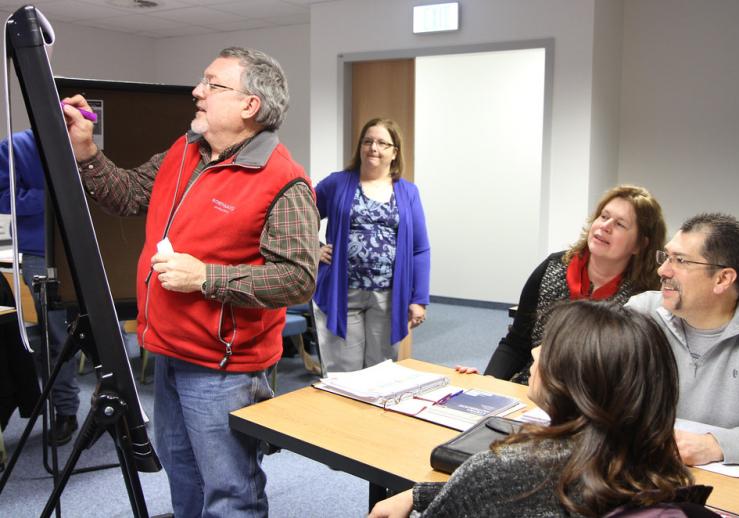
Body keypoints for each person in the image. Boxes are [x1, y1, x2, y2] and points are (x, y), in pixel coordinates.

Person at [62, 47, 320, 516]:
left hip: (224, 368)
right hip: (169, 352)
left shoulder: (283, 181)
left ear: (250, 105)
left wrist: (206, 277)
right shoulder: (184, 152)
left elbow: (297, 279)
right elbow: (128, 195)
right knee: (184, 481)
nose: (197, 91)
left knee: (230, 493)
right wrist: (86, 152)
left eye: (212, 84)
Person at [370, 301, 718, 517]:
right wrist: (419, 494)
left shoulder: (498, 470)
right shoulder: (655, 466)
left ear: (577, 382)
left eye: (549, 346)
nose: (535, 352)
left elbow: (491, 491)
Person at [626, 213, 739, 468]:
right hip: (648, 470)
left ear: (722, 279)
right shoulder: (641, 313)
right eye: (666, 257)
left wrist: (715, 445)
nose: (662, 270)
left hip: (735, 487)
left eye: (680, 260)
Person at [462, 185, 666, 384]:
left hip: (592, 400)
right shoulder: (553, 268)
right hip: (531, 388)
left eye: (620, 224)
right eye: (604, 216)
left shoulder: (643, 299)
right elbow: (517, 343)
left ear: (640, 244)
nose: (605, 226)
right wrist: (488, 383)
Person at [312, 118, 430, 374]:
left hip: (388, 296)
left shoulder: (408, 192)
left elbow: (420, 249)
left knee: (380, 373)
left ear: (394, 152)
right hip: (343, 293)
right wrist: (314, 248)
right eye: (367, 141)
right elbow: (300, 215)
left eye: (382, 143)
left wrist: (419, 298)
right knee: (344, 373)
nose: (373, 148)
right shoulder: (337, 183)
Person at [0, 130, 80, 446]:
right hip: (41, 254)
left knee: (102, 334)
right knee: (55, 338)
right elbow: (4, 199)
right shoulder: (15, 146)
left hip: (88, 250)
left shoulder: (83, 140)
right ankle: (66, 411)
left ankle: (115, 408)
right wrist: (51, 192)